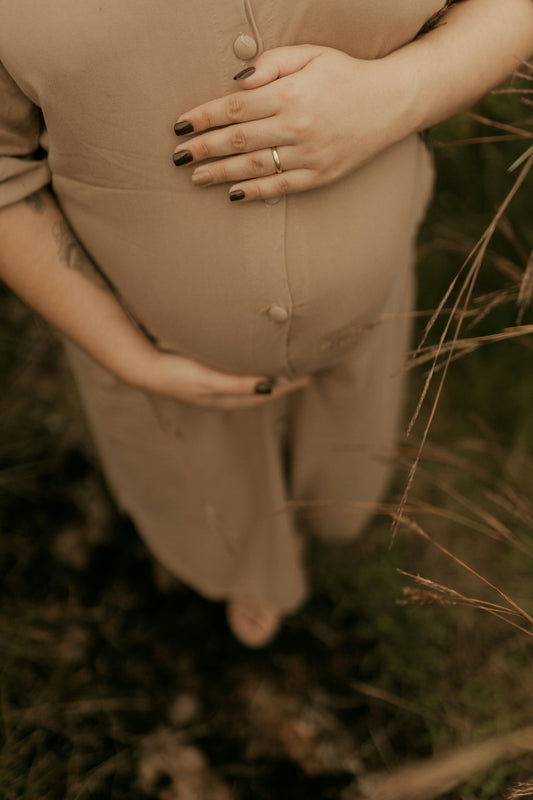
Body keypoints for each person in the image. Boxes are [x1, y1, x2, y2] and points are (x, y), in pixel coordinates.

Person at [1, 0, 532, 648]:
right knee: (205, 492)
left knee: (345, 474)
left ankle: (326, 517)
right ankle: (247, 567)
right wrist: (126, 356)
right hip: (145, 337)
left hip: (371, 298)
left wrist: (397, 94)